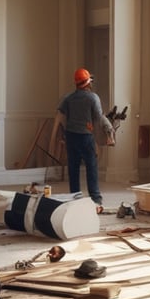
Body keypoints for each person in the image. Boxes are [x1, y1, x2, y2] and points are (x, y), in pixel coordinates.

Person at [50, 68, 115, 209]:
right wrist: (108, 130)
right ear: (88, 83)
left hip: (71, 136)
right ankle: (95, 199)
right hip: (86, 136)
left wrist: (63, 134)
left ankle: (74, 197)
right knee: (91, 167)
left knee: (73, 168)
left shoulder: (68, 98)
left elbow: (62, 116)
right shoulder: (93, 98)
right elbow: (98, 117)